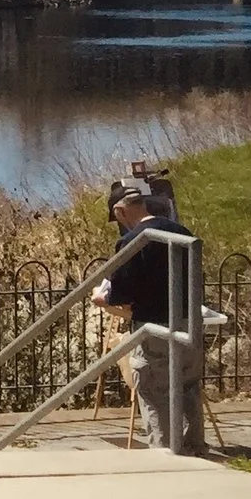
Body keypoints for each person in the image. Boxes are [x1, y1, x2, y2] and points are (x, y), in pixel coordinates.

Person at [92, 175, 204, 454]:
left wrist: (102, 298)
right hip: (189, 320)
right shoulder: (182, 231)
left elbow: (122, 294)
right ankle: (194, 448)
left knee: (153, 389)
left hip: (153, 325)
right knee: (187, 385)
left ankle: (164, 451)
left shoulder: (132, 241)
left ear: (120, 211)